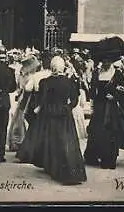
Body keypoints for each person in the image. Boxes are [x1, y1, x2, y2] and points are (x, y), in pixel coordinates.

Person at [31, 56, 87, 185]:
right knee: (67, 141)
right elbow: (74, 100)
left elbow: (43, 99)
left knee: (52, 141)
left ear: (52, 67)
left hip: (50, 114)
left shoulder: (45, 82)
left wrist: (40, 109)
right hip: (65, 114)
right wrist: (67, 107)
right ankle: (70, 169)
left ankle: (54, 168)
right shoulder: (70, 82)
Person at [83, 53, 124, 169]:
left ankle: (109, 159)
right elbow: (93, 90)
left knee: (110, 133)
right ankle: (94, 156)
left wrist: (115, 96)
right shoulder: (97, 73)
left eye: (108, 60)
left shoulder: (118, 74)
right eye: (104, 60)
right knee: (97, 131)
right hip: (100, 107)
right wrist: (92, 104)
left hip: (111, 108)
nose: (106, 63)